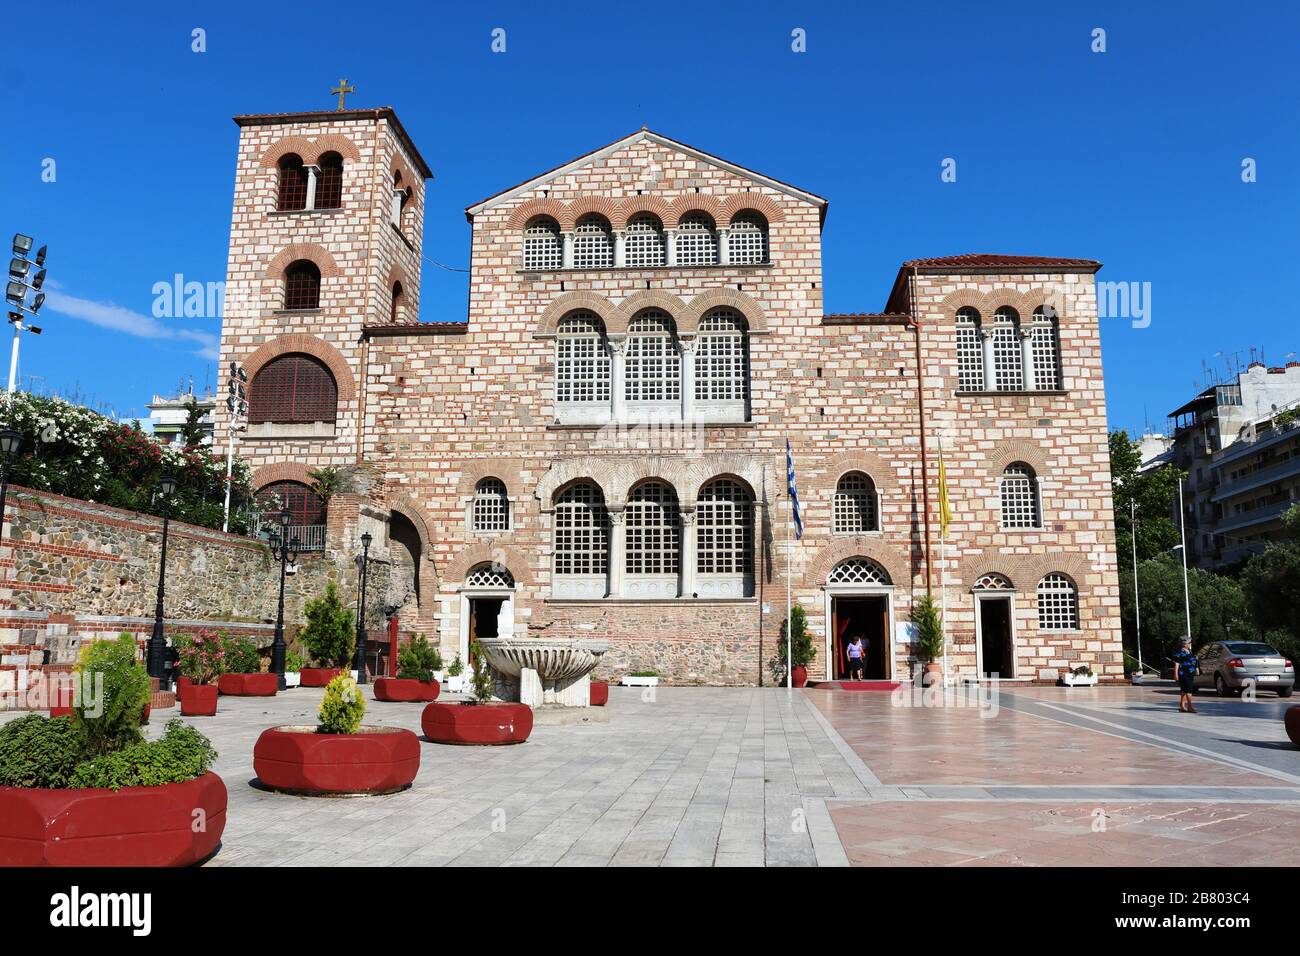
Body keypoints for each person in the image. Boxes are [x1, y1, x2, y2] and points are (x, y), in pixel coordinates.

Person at [1172, 637, 1198, 713]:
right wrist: (1175, 674)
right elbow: (1176, 664)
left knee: (1184, 690)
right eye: (1189, 643)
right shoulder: (1179, 652)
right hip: (1184, 673)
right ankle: (1190, 706)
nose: (1190, 644)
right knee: (1189, 690)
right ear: (1184, 644)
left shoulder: (1189, 651)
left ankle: (1182, 706)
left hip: (1190, 673)